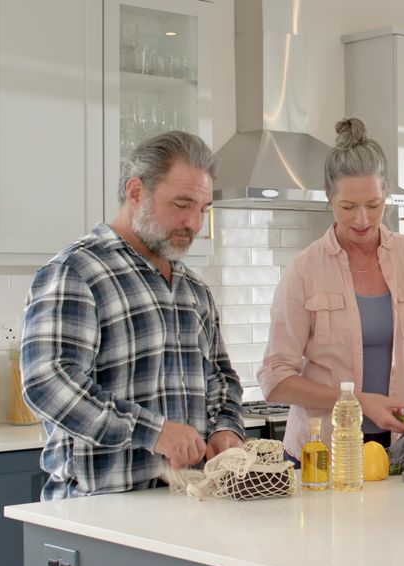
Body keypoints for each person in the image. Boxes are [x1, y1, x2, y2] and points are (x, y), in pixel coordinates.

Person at [21, 131, 246, 500]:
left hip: (187, 504)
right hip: (98, 509)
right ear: (136, 191)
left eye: (203, 209)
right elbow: (48, 384)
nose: (194, 222)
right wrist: (153, 431)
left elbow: (221, 376)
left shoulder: (193, 289)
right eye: (182, 204)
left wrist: (226, 426)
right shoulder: (77, 271)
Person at [259, 118, 404, 459]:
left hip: (402, 447)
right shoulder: (304, 270)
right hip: (323, 452)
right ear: (328, 195)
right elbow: (275, 378)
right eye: (348, 207)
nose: (363, 219)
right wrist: (357, 402)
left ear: (387, 193)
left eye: (374, 205)